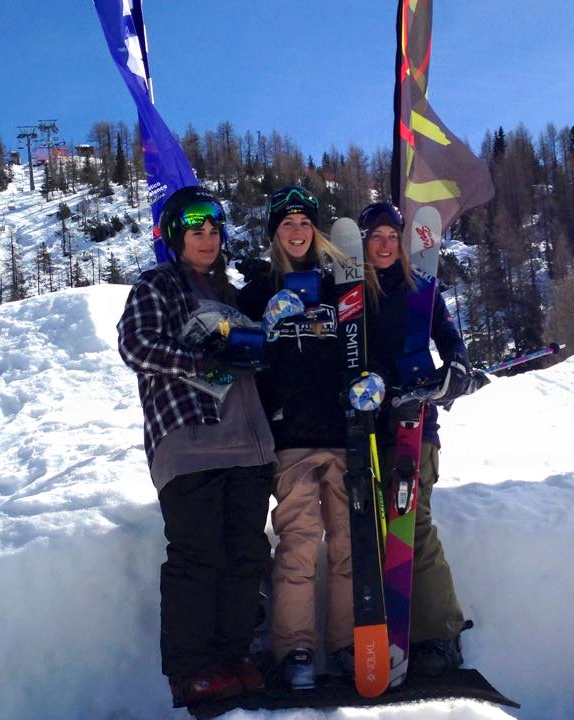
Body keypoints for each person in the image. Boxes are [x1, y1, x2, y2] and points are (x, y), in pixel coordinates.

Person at [117, 186, 276, 707]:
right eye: (196, 232)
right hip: (190, 442)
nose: (207, 240)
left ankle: (233, 658)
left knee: (246, 557)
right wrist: (204, 365)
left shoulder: (231, 293)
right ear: (174, 237)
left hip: (250, 447)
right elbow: (135, 344)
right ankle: (191, 670)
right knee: (198, 557)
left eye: (214, 231)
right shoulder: (156, 284)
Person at [237, 185, 354, 690]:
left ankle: (350, 644)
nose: (298, 231)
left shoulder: (336, 284)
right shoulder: (258, 287)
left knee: (351, 543)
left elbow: (360, 346)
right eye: (287, 223)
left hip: (344, 431)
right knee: (300, 543)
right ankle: (296, 649)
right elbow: (237, 359)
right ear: (274, 234)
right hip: (290, 437)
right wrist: (264, 330)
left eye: (305, 222)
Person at [358, 201, 475, 677]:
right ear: (363, 244)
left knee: (413, 524)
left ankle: (440, 634)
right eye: (376, 237)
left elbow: (449, 338)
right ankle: (382, 632)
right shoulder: (350, 294)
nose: (385, 246)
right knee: (374, 532)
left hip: (414, 422)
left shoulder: (420, 288)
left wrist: (459, 369)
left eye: (392, 237)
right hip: (365, 428)